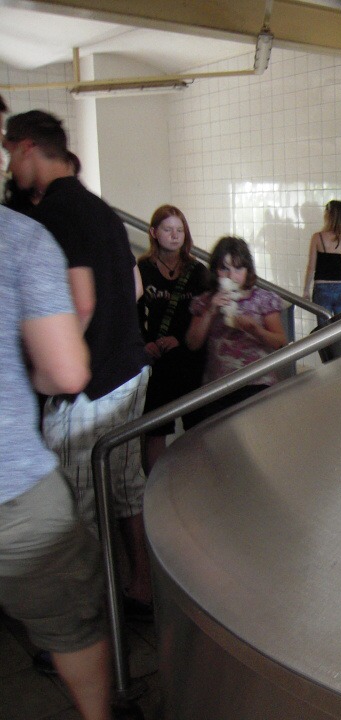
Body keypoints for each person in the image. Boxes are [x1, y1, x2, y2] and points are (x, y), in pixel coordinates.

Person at [2, 110, 153, 613]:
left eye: (9, 153)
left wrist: (53, 370)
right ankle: (141, 584)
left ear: (27, 147)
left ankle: (92, 613)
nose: (9, 166)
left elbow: (81, 302)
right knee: (127, 486)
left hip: (90, 386)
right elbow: (134, 287)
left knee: (78, 502)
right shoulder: (100, 208)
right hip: (129, 367)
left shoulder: (54, 214)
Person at [0, 205, 113, 720]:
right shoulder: (21, 238)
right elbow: (67, 373)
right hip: (13, 487)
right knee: (70, 625)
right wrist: (27, 381)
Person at [137, 205, 210, 474]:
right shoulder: (142, 269)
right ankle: (157, 485)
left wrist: (180, 339)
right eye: (168, 229)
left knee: (198, 424)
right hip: (157, 360)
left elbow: (204, 313)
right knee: (156, 428)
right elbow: (133, 311)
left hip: (189, 357)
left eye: (180, 230)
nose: (174, 235)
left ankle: (196, 479)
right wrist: (144, 343)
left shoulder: (197, 271)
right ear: (154, 232)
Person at [187, 236, 287, 422]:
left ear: (248, 270)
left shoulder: (263, 299)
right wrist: (211, 310)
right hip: (218, 387)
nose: (232, 275)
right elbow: (193, 343)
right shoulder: (205, 301)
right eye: (224, 268)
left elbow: (280, 342)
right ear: (215, 270)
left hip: (258, 383)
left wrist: (255, 329)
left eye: (238, 268)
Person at [302, 199, 341, 315]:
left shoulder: (317, 238)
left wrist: (306, 290)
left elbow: (311, 267)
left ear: (328, 216)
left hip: (322, 288)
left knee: (325, 325)